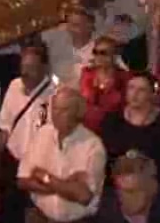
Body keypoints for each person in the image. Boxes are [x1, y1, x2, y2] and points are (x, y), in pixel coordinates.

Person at [100, 72, 160, 205]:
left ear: (152, 94)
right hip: (116, 195)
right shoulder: (112, 121)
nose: (134, 94)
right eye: (131, 88)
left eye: (141, 90)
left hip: (155, 198)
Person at [18, 87, 106, 223]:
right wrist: (66, 187)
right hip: (40, 217)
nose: (56, 114)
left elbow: (84, 196)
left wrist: (44, 177)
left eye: (64, 110)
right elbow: (22, 181)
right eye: (54, 109)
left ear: (77, 112)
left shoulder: (93, 145)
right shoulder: (42, 135)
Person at [0, 44, 55, 223]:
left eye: (32, 68)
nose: (26, 73)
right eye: (23, 67)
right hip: (12, 161)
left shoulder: (52, 96)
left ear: (44, 68)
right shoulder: (14, 86)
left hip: (37, 166)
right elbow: (5, 126)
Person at [94, 152, 160, 223]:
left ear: (152, 188)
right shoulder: (104, 214)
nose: (123, 198)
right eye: (120, 190)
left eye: (133, 192)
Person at [79, 36, 130, 133]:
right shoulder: (86, 74)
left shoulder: (124, 78)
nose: (98, 56)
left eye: (103, 53)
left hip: (114, 131)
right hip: (87, 130)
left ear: (114, 56)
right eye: (95, 52)